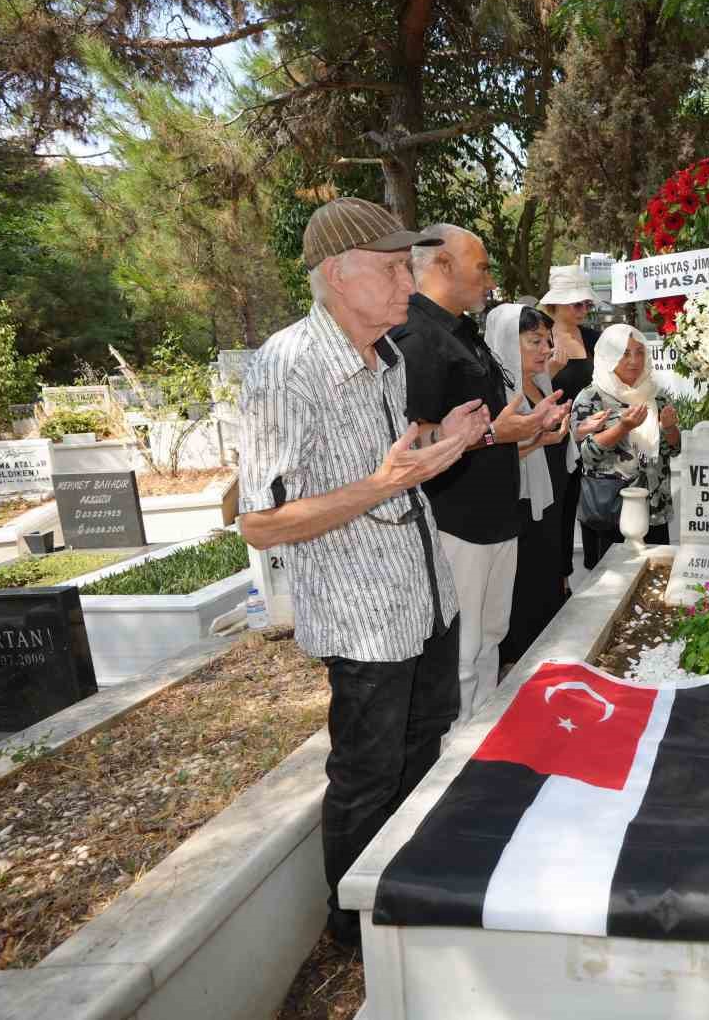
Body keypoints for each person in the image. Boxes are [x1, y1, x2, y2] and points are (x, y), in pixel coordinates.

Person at [235, 197, 491, 952]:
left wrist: (448, 440)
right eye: (391, 270)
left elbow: (392, 464)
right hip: (363, 617)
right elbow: (261, 520)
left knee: (423, 751)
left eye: (408, 267)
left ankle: (402, 899)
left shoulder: (389, 356)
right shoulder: (286, 367)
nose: (408, 284)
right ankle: (354, 934)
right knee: (367, 776)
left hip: (424, 600)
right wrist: (386, 483)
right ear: (337, 275)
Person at [395, 223, 566, 722]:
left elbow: (490, 429)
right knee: (462, 649)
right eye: (483, 267)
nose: (490, 281)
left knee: (489, 637)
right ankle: (454, 751)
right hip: (455, 521)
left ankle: (483, 736)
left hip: (496, 516)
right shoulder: (418, 338)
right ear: (443, 265)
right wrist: (498, 434)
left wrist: (528, 435)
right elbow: (416, 442)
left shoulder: (463, 332)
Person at [485, 303, 577, 664]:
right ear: (509, 341)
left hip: (550, 502)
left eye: (547, 341)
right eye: (534, 341)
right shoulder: (499, 394)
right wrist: (539, 441)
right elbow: (492, 453)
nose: (546, 350)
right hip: (521, 508)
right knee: (523, 594)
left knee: (546, 586)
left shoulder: (540, 384)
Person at [570, 325, 681, 570]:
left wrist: (670, 429)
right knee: (605, 587)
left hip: (653, 508)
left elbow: (673, 449)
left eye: (640, 352)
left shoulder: (656, 396)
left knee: (652, 580)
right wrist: (622, 427)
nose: (634, 360)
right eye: (625, 353)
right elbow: (585, 455)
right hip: (609, 512)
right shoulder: (591, 398)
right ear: (608, 357)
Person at [539, 266, 604, 587]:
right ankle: (559, 580)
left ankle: (598, 573)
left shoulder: (595, 338)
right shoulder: (540, 340)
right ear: (555, 305)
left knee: (597, 505)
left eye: (586, 304)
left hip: (597, 437)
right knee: (560, 510)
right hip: (557, 438)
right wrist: (549, 370)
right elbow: (526, 392)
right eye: (575, 303)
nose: (582, 310)